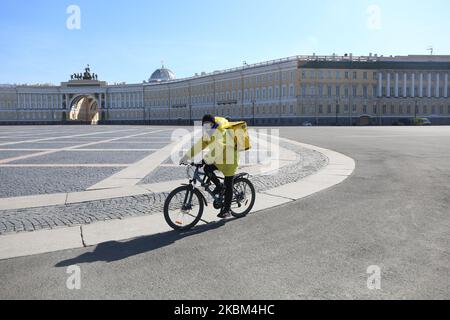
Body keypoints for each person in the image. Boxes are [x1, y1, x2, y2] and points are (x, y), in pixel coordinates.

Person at [180, 115, 239, 218]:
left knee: (228, 183)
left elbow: (218, 148)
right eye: (204, 126)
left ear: (213, 124)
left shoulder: (221, 132)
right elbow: (199, 145)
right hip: (219, 159)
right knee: (207, 169)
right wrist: (186, 157)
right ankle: (219, 186)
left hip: (230, 160)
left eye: (209, 125)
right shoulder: (209, 132)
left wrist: (204, 160)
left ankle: (227, 210)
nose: (207, 127)